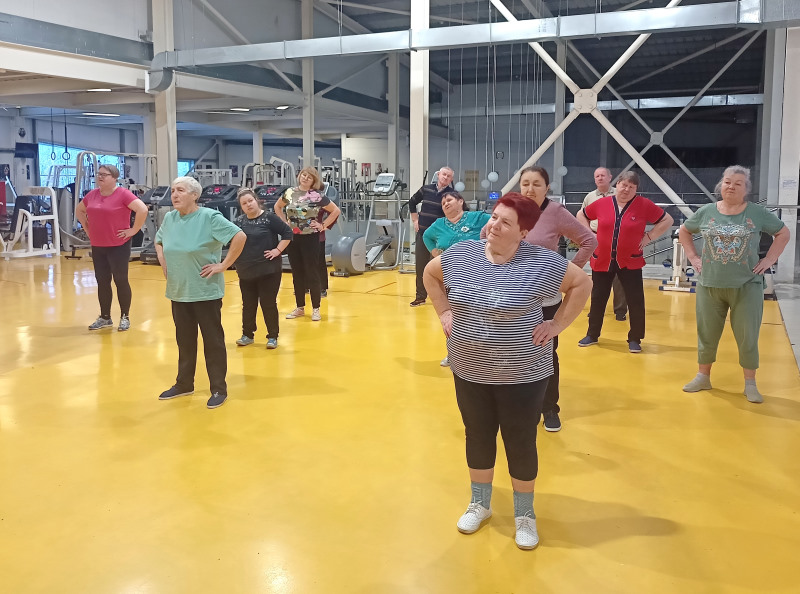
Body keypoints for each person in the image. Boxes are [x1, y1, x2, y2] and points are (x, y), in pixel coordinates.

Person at [423, 192, 592, 550]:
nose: (494, 226)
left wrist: (557, 325)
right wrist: (444, 312)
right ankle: (480, 503)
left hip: (522, 374)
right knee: (478, 434)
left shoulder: (541, 262)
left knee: (520, 440)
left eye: (505, 222)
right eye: (494, 217)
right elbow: (430, 274)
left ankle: (524, 514)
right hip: (469, 368)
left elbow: (582, 284)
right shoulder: (462, 254)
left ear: (524, 232)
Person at [678, 165, 790, 403]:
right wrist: (693, 257)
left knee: (748, 335)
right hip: (710, 284)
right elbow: (684, 231)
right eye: (728, 182)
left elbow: (783, 233)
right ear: (721, 185)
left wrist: (769, 259)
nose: (731, 187)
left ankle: (750, 383)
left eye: (738, 183)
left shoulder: (757, 213)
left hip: (747, 286)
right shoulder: (706, 212)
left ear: (745, 189)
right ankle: (703, 376)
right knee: (706, 333)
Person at [515, 166, 597, 432]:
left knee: (545, 352)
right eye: (525, 183)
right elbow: (486, 238)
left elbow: (589, 241)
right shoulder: (511, 209)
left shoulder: (555, 212)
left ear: (547, 188)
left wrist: (567, 274)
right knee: (513, 351)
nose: (530, 189)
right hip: (511, 297)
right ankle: (518, 405)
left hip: (544, 301)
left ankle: (549, 407)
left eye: (536, 184)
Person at [154, 176, 246, 410]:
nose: (174, 195)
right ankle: (184, 383)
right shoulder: (170, 218)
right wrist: (163, 260)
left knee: (213, 342)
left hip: (205, 291)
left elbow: (239, 236)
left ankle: (218, 388)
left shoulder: (209, 217)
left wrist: (223, 265)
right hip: (178, 290)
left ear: (194, 195)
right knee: (184, 341)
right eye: (173, 191)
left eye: (180, 190)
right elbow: (159, 240)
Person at [576, 170, 674, 353]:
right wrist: (589, 234)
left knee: (635, 300)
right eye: (624, 185)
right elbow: (581, 215)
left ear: (636, 189)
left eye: (631, 186)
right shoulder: (603, 203)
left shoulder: (644, 205)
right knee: (598, 298)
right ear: (617, 185)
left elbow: (667, 220)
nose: (626, 189)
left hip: (631, 261)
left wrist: (650, 236)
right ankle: (592, 334)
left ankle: (635, 338)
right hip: (603, 258)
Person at [75, 164, 148, 331]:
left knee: (120, 280)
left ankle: (125, 316)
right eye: (99, 174)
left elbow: (142, 210)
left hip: (118, 245)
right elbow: (79, 211)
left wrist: (133, 230)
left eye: (104, 174)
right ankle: (105, 317)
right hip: (98, 245)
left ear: (114, 178)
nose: (100, 177)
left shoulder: (123, 194)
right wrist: (87, 229)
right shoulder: (92, 195)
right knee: (102, 281)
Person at [423, 190, 491, 366]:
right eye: (443, 202)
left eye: (449, 200)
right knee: (452, 318)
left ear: (461, 201)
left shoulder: (477, 218)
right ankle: (454, 353)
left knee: (481, 317)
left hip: (479, 277)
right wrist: (435, 253)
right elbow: (426, 236)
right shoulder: (439, 224)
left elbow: (495, 224)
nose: (445, 203)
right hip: (451, 279)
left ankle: (482, 354)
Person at [275, 167, 340, 322]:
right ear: (299, 176)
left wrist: (323, 225)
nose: (305, 178)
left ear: (313, 181)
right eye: (303, 175)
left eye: (309, 177)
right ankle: (300, 307)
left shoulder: (316, 195)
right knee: (297, 273)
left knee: (312, 272)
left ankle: (316, 308)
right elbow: (278, 207)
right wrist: (284, 223)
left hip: (311, 238)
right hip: (293, 238)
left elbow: (335, 211)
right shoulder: (290, 192)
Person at [233, 188, 293, 349]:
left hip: (268, 270)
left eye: (250, 201)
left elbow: (287, 233)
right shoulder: (239, 222)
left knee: (268, 303)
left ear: (256, 200)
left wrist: (277, 250)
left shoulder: (269, 218)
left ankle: (272, 336)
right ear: (241, 207)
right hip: (246, 270)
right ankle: (247, 334)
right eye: (244, 203)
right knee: (248, 304)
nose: (248, 205)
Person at [582, 167, 627, 321]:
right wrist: (590, 234)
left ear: (610, 177)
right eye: (597, 176)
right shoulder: (589, 197)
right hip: (597, 240)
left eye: (603, 175)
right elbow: (582, 217)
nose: (600, 178)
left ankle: (620, 311)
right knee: (598, 277)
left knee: (620, 277)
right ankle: (596, 309)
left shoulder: (620, 194)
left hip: (618, 240)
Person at [408, 167, 454, 307]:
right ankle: (420, 297)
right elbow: (412, 202)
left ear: (451, 179)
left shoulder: (452, 195)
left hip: (439, 238)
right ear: (438, 175)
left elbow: (460, 211)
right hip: (423, 234)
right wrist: (415, 220)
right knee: (420, 266)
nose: (445, 177)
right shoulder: (426, 189)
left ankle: (444, 299)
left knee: (441, 268)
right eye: (444, 174)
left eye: (448, 176)